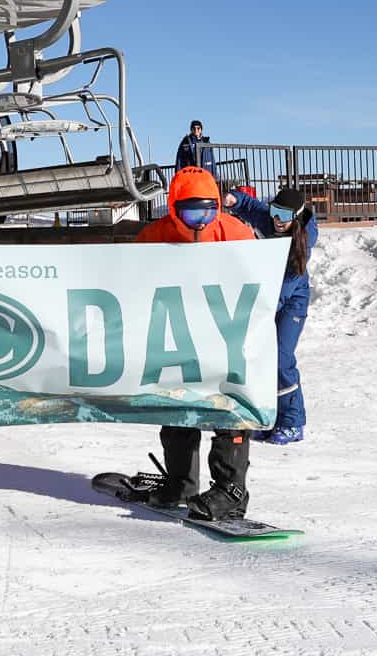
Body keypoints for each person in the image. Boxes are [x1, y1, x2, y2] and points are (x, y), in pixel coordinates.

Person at [123, 166, 261, 521]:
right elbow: (128, 282)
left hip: (225, 337)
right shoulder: (154, 236)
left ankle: (231, 491)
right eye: (190, 212)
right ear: (173, 208)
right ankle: (181, 483)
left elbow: (259, 282)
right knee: (175, 409)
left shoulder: (235, 233)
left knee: (228, 409)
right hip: (174, 338)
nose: (200, 221)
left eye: (207, 211)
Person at [223, 186, 316, 445]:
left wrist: (265, 308)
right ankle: (270, 418)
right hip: (265, 296)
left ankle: (292, 422)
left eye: (284, 215)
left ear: (296, 217)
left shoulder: (304, 238)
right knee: (259, 359)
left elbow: (289, 283)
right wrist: (233, 199)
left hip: (291, 301)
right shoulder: (270, 219)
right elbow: (250, 206)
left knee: (281, 359)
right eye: (275, 211)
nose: (277, 220)